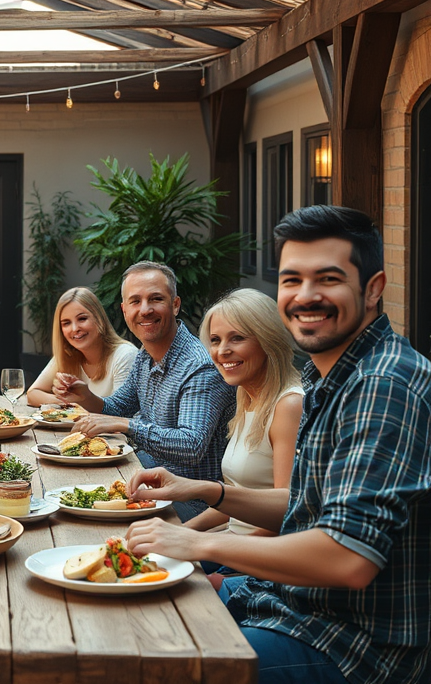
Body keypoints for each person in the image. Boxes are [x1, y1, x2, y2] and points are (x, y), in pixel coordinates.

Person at [125, 206, 431, 684]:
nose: (305, 295)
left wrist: (197, 542)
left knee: (158, 658)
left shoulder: (383, 384)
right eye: (291, 280)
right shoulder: (328, 378)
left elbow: (348, 558)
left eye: (327, 279)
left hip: (352, 641)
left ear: (372, 289)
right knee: (137, 609)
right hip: (290, 602)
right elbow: (297, 508)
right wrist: (202, 490)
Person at [66, 261, 237, 520]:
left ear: (175, 304)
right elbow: (118, 408)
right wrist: (86, 396)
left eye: (155, 299)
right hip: (149, 482)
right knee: (70, 489)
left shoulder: (200, 366)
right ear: (124, 310)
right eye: (135, 301)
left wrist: (126, 425)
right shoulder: (147, 354)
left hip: (191, 507)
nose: (144, 310)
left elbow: (191, 447)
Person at [187, 289, 303, 582]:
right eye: (215, 340)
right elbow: (234, 504)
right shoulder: (246, 394)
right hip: (232, 546)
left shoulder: (289, 405)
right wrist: (183, 532)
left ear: (268, 340)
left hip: (263, 562)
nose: (222, 351)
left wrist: (216, 553)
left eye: (237, 338)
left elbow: (288, 516)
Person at [25, 286, 138, 407]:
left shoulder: (125, 355)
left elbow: (121, 411)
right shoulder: (67, 354)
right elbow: (33, 394)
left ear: (99, 319)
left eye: (82, 319)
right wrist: (68, 402)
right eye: (66, 323)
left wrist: (80, 401)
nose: (75, 329)